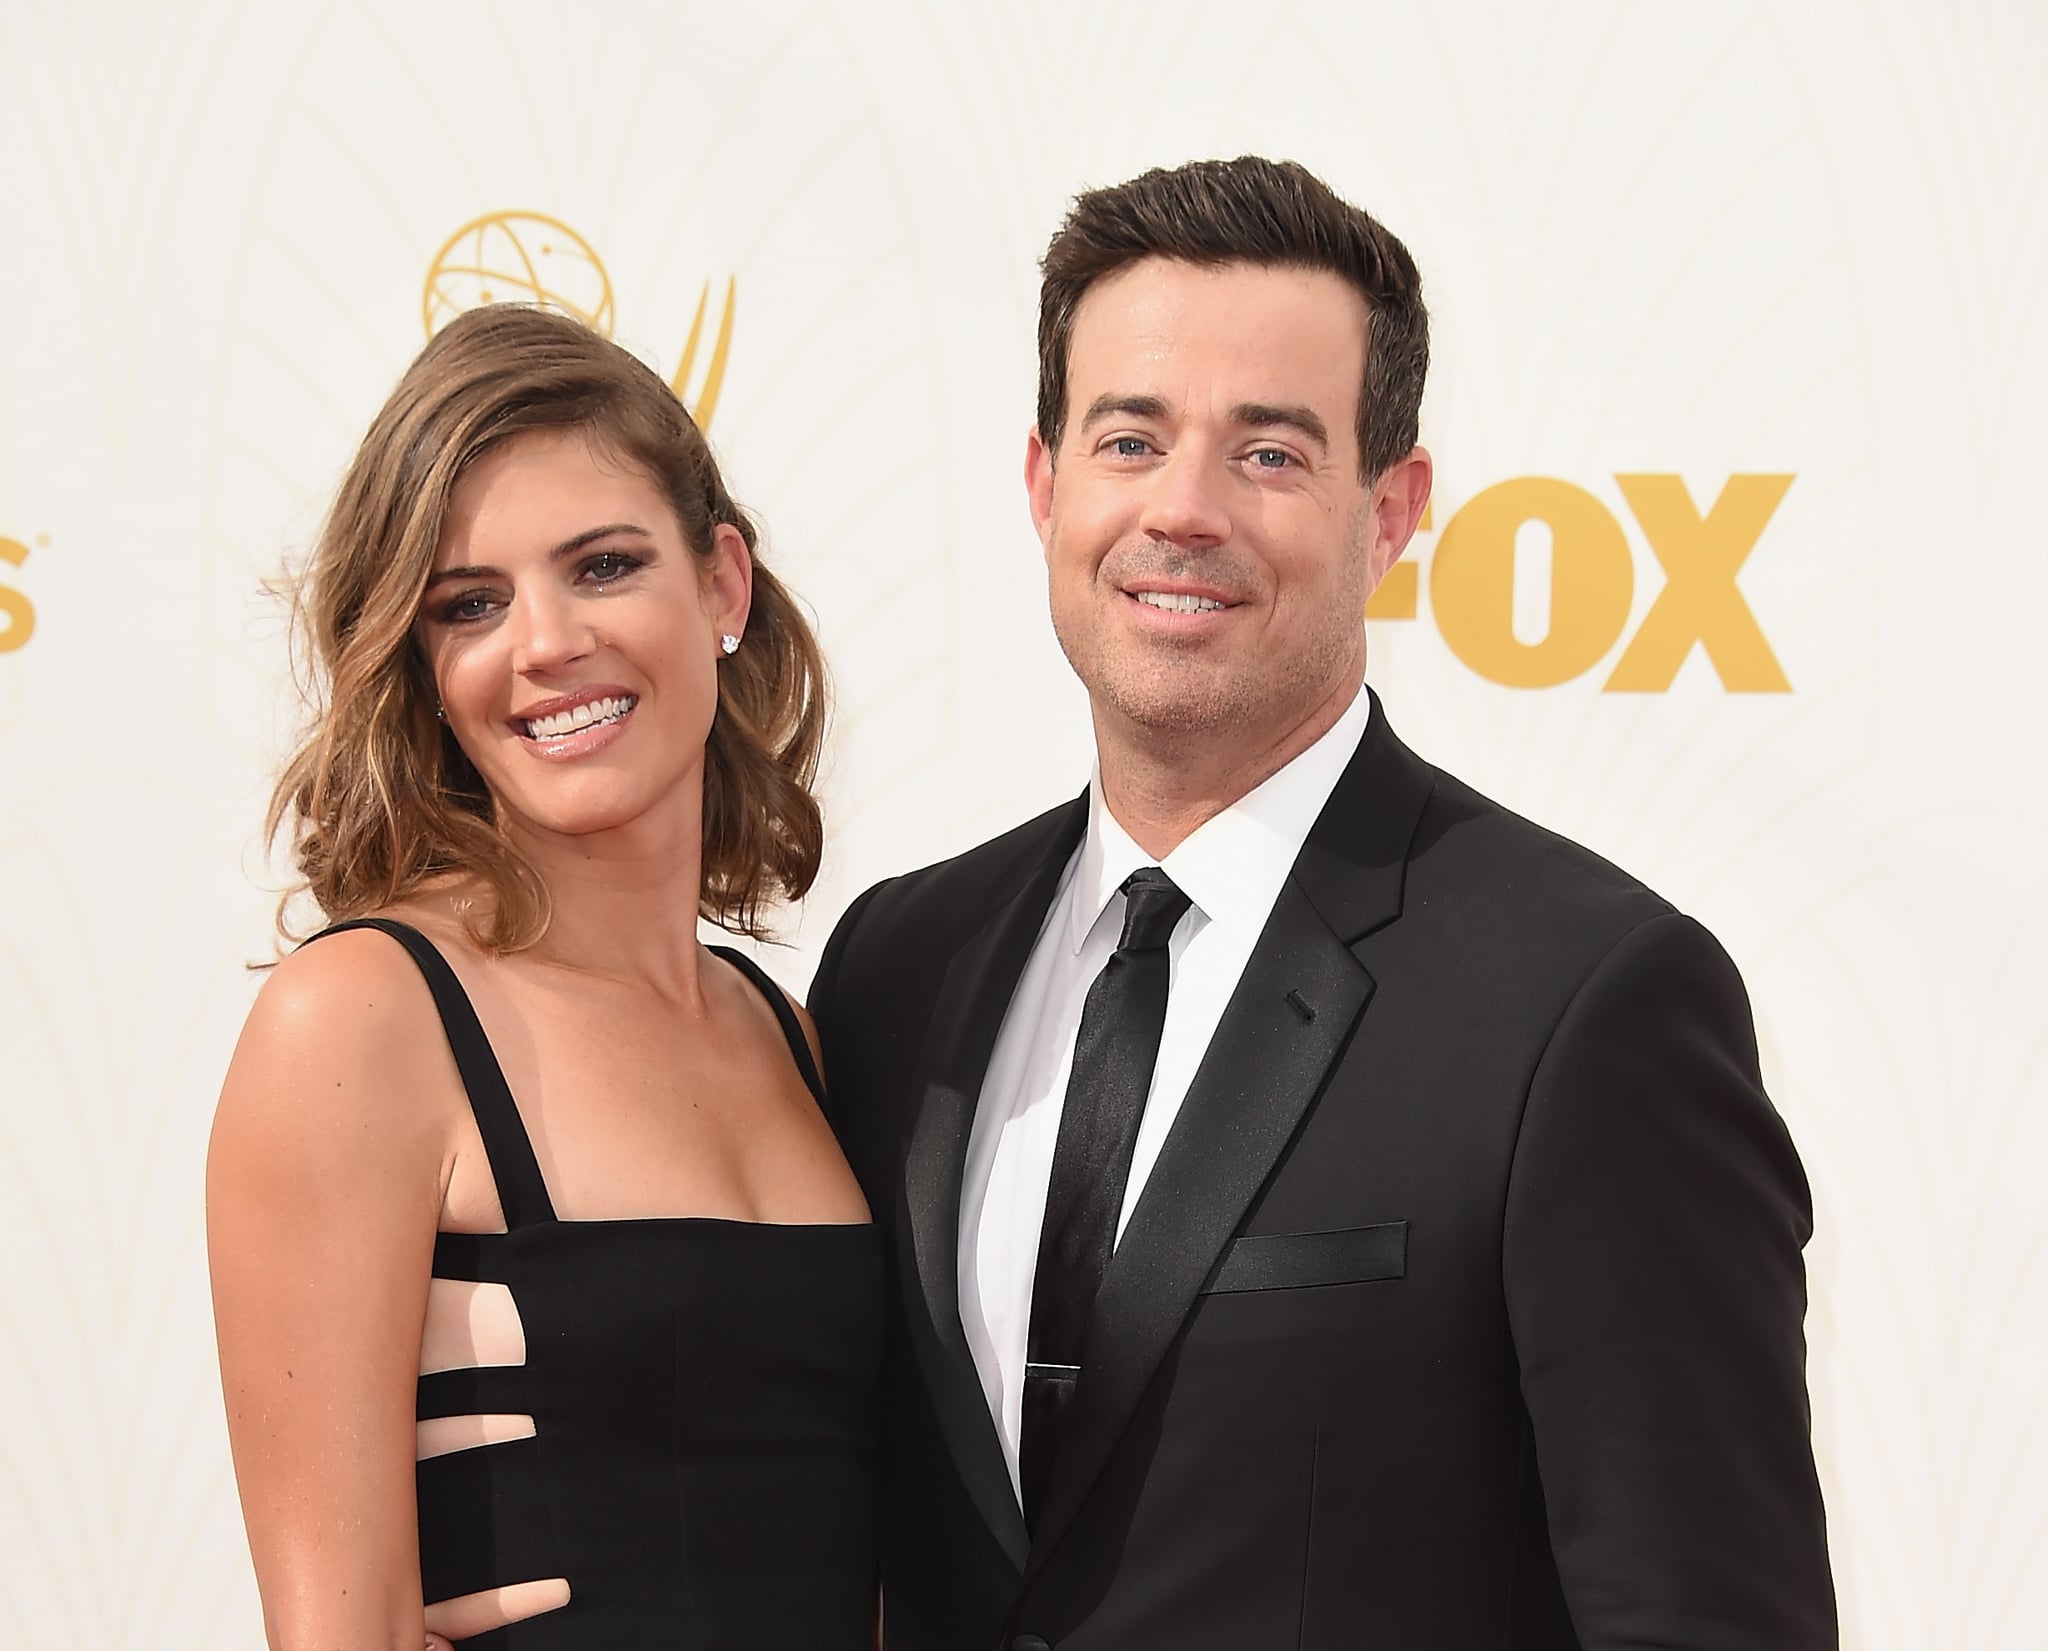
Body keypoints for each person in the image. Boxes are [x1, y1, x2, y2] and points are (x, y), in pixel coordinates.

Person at [808, 156, 1837, 1650]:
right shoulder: (899, 966)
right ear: (1044, 487)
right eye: (1128, 439)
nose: (1184, 510)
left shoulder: (1588, 1001)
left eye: (1271, 454)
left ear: (1395, 507)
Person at [207, 303, 882, 1650]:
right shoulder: (361, 1023)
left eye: (605, 565)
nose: (546, 643)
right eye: (472, 603)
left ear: (724, 586)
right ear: (427, 663)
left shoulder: (793, 1036)